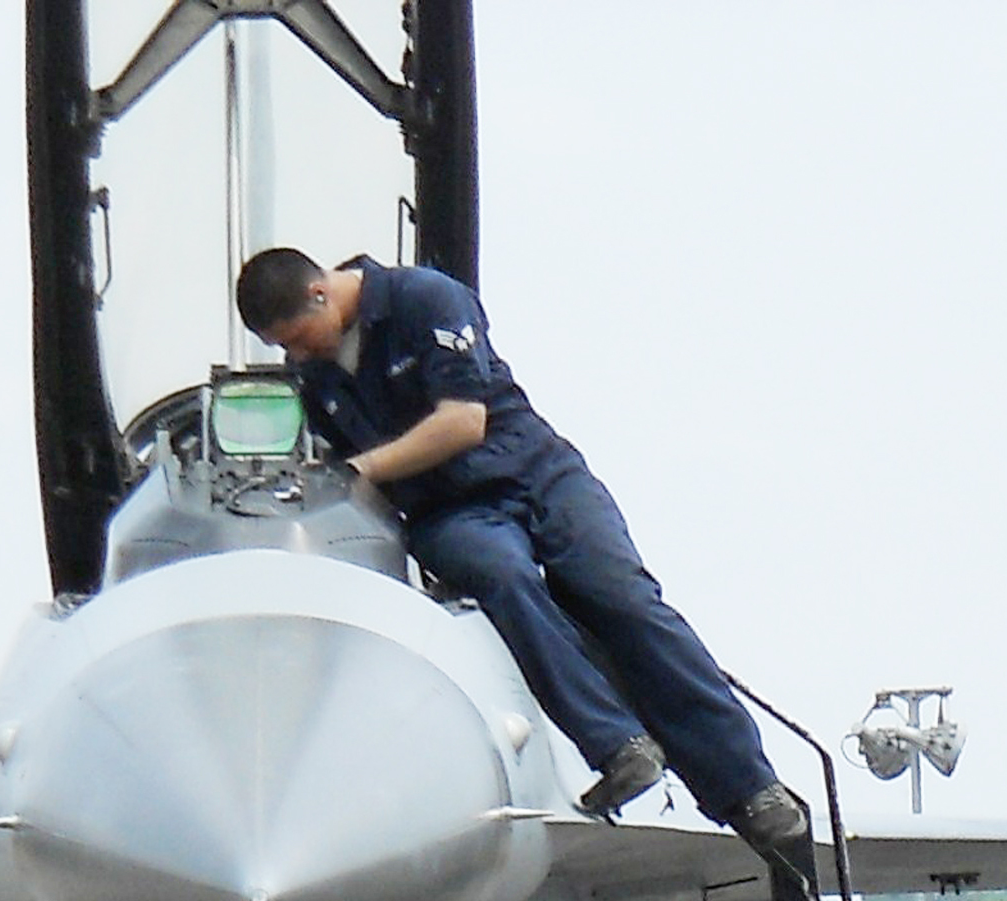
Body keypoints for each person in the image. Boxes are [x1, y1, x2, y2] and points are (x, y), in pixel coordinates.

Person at [235, 247, 806, 848]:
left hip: (538, 475)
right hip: (448, 512)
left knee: (623, 602)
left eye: (299, 337)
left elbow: (462, 422)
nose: (298, 355)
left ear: (321, 293)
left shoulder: (424, 300)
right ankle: (618, 746)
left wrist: (361, 469)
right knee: (505, 579)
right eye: (285, 348)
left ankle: (749, 788)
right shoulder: (314, 379)